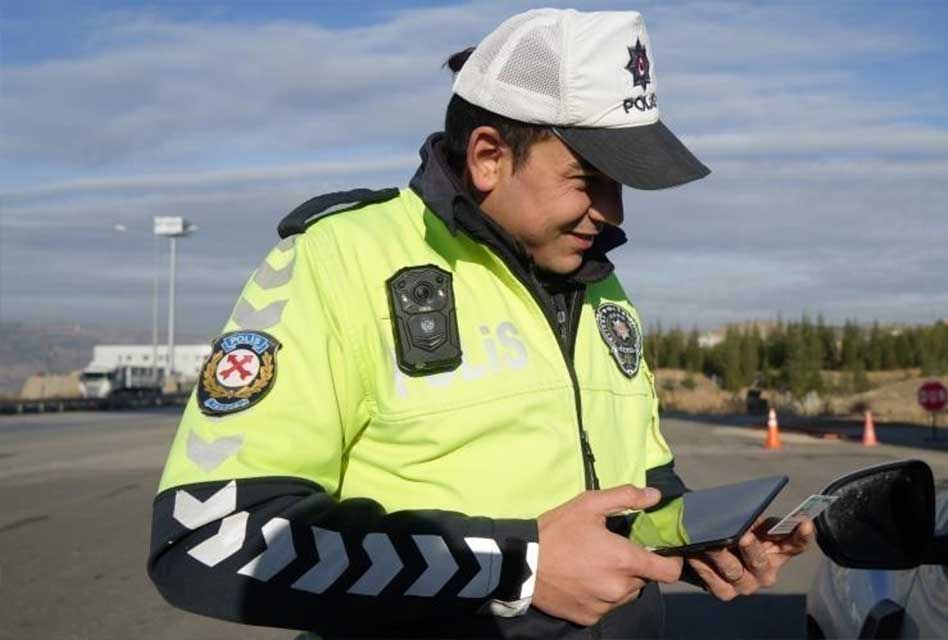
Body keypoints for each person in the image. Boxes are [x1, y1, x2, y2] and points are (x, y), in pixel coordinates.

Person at [148, 8, 813, 638]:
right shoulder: (336, 260)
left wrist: (702, 540)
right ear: (490, 156)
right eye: (590, 179)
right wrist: (514, 567)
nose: (612, 213)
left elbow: (640, 487)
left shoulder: (600, 283)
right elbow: (210, 534)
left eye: (623, 186)